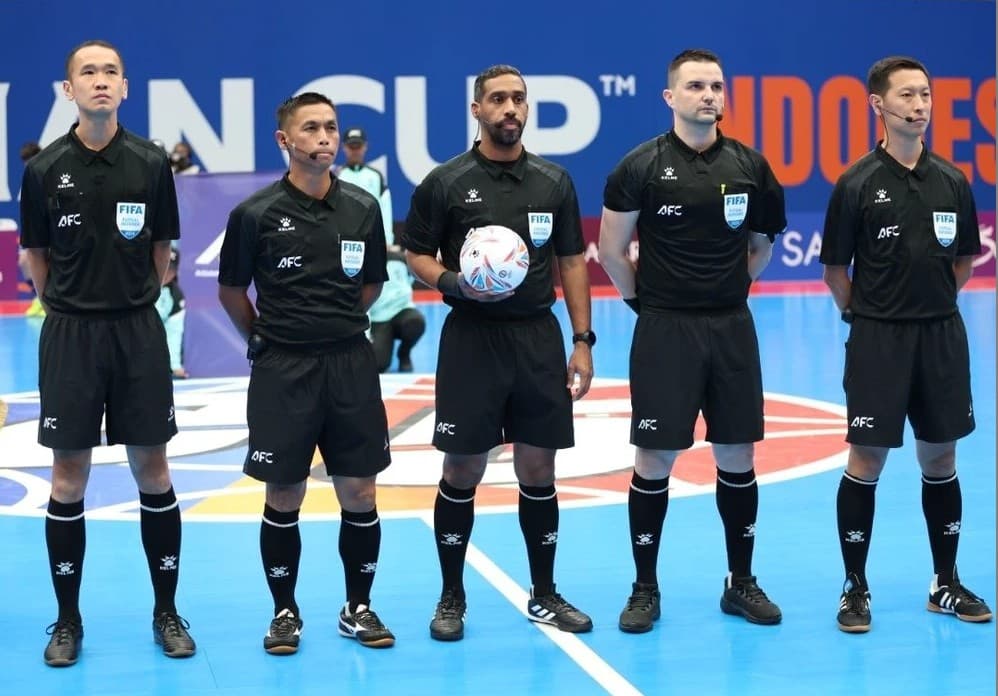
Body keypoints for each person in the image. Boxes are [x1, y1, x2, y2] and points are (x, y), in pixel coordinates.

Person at [402, 64, 595, 641]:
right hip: (472, 340)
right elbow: (415, 253)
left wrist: (582, 341)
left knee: (540, 466)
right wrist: (454, 282)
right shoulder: (446, 181)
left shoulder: (553, 182)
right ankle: (451, 596)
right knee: (463, 466)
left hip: (538, 337)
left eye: (519, 99)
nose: (510, 108)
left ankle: (544, 592)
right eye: (498, 99)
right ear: (477, 110)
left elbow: (571, 263)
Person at [19, 39, 196, 666]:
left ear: (125, 87)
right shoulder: (43, 170)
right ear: (69, 90)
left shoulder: (150, 163)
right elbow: (34, 260)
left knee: (155, 472)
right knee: (69, 479)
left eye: (110, 72)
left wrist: (125, 301)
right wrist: (74, 304)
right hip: (70, 335)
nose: (100, 81)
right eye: (87, 72)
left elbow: (161, 253)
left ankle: (167, 611)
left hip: (136, 334)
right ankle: (67, 620)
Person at [598, 48, 786, 633]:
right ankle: (645, 587)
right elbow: (610, 250)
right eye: (697, 86)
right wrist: (647, 304)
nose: (710, 95)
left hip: (731, 328)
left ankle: (740, 581)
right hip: (665, 331)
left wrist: (726, 291)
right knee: (654, 459)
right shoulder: (639, 166)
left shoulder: (751, 166)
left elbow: (761, 248)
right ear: (670, 97)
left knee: (738, 454)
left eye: (717, 86)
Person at [217, 91, 395, 655]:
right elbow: (230, 292)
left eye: (331, 128)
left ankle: (358, 607)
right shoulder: (254, 215)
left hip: (350, 363)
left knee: (360, 491)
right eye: (312, 128)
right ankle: (285, 612)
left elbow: (369, 286)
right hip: (283, 369)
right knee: (285, 491)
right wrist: (268, 341)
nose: (325, 137)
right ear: (285, 140)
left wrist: (334, 325)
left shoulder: (363, 209)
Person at [820, 56, 992, 633]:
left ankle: (944, 582)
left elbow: (964, 261)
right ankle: (854, 587)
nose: (920, 106)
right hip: (878, 339)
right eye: (908, 96)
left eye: (926, 95)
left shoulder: (953, 181)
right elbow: (836, 271)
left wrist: (930, 304)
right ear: (879, 106)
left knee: (941, 457)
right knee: (867, 460)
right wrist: (866, 316)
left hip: (942, 337)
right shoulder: (857, 183)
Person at [337, 127, 425, 372]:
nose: (354, 150)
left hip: (376, 243)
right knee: (379, 364)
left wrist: (384, 240)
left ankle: (405, 352)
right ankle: (366, 334)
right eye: (350, 146)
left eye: (358, 146)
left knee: (409, 315)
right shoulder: (337, 176)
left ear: (364, 148)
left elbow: (383, 208)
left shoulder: (375, 177)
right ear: (344, 148)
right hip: (350, 247)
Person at [17, 141, 45, 317]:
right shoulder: (30, 186)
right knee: (23, 260)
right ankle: (39, 299)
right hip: (41, 239)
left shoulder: (54, 178)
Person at [155, 246, 188, 378]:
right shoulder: (137, 289)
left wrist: (174, 366)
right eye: (163, 266)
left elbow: (174, 333)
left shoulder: (176, 296)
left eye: (171, 269)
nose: (165, 273)